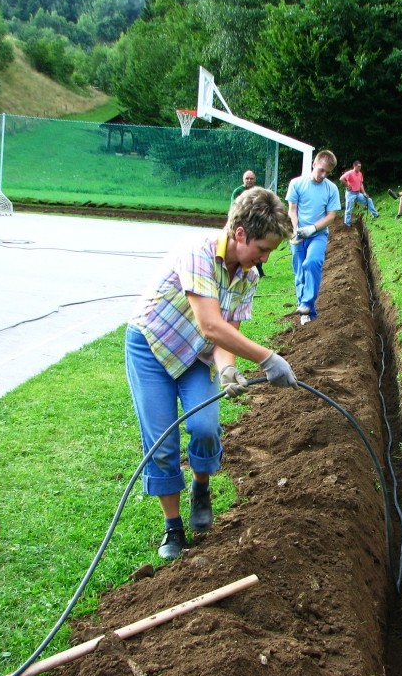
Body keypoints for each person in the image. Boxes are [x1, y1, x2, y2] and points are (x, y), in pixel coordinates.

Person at [125, 186, 297, 560]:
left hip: (196, 357)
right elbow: (211, 326)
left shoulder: (248, 277)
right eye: (263, 248)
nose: (266, 257)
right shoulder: (197, 253)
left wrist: (228, 369)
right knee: (162, 444)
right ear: (240, 234)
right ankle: (173, 529)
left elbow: (225, 336)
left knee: (204, 426)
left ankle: (200, 487)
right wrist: (268, 358)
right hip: (152, 347)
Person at [286, 149, 341, 325]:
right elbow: (292, 210)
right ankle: (308, 314)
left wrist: (313, 228)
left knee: (312, 263)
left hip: (318, 235)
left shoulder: (331, 188)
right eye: (321, 170)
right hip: (298, 235)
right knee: (300, 273)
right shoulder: (296, 184)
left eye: (327, 172)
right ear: (314, 164)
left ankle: (307, 303)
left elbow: (331, 216)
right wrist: (295, 230)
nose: (323, 175)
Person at [231, 170, 265, 276]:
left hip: (256, 223)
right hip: (243, 223)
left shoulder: (258, 191)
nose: (249, 180)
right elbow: (235, 207)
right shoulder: (238, 191)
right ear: (243, 179)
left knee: (258, 245)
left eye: (251, 178)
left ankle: (259, 271)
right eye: (247, 178)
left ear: (254, 179)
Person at [338, 160, 380, 225]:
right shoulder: (350, 173)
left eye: (360, 167)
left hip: (357, 193)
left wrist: (364, 193)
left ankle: (375, 214)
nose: (359, 168)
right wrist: (347, 185)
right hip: (350, 194)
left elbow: (361, 184)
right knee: (349, 209)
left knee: (369, 200)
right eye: (358, 166)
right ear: (354, 166)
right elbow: (341, 178)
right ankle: (347, 224)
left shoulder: (360, 174)